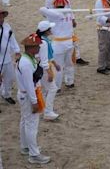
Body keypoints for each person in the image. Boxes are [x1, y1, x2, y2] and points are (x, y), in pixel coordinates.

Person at [16, 33, 51, 165]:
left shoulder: (28, 58)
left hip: (26, 94)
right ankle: (34, 154)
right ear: (31, 47)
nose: (39, 48)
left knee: (25, 121)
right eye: (37, 46)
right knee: (32, 125)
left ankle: (25, 147)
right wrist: (34, 102)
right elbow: (29, 84)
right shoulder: (25, 63)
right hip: (29, 95)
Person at [36, 20, 60, 121]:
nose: (51, 30)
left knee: (46, 90)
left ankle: (45, 109)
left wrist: (55, 63)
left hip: (39, 68)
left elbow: (46, 56)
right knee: (52, 88)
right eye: (49, 28)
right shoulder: (44, 43)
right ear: (46, 31)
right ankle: (48, 112)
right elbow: (44, 60)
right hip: (44, 69)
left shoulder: (40, 39)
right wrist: (49, 72)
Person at [0, 8, 19, 104]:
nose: (1, 17)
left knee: (10, 77)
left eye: (2, 15)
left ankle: (6, 94)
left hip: (7, 58)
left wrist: (17, 51)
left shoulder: (7, 26)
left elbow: (12, 39)